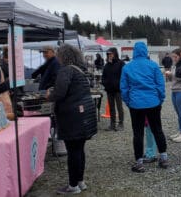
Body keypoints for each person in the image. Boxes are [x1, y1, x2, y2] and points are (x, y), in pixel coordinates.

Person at [48, 44, 97, 195]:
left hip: (73, 116)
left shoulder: (66, 70)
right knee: (79, 150)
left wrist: (50, 95)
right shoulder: (79, 70)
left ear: (63, 56)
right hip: (84, 114)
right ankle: (80, 181)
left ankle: (73, 185)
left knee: (73, 151)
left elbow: (60, 93)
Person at [120, 42, 168, 172]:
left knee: (138, 133)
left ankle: (139, 162)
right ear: (146, 51)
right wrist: (160, 99)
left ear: (134, 52)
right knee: (157, 129)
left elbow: (124, 88)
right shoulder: (153, 65)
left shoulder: (127, 68)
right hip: (153, 102)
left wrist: (128, 101)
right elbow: (160, 84)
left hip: (136, 104)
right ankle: (163, 158)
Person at [167, 48, 181, 142]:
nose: (174, 59)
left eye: (175, 57)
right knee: (179, 114)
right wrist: (170, 76)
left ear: (180, 56)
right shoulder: (175, 65)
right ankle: (180, 131)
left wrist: (173, 74)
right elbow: (174, 79)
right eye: (173, 57)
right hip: (175, 91)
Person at [101, 47, 125, 131]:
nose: (109, 55)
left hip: (118, 90)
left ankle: (121, 123)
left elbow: (124, 76)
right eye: (108, 54)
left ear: (115, 54)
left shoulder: (121, 63)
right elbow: (103, 77)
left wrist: (120, 85)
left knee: (119, 107)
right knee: (111, 107)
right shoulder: (106, 65)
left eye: (111, 54)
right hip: (109, 90)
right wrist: (105, 84)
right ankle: (112, 124)